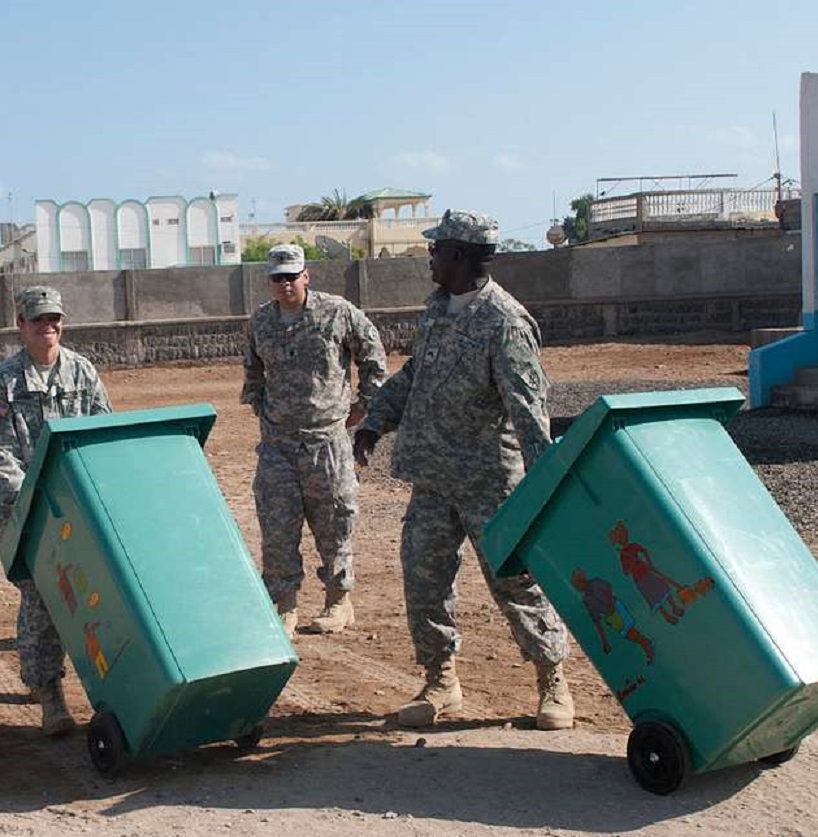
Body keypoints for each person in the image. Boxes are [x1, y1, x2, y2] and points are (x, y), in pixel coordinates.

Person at [353, 209, 575, 731]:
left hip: (489, 482)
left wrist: (543, 487)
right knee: (423, 578)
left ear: (460, 255)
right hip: (432, 477)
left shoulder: (506, 323)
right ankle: (441, 680)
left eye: (436, 249)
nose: (429, 256)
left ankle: (552, 679)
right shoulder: (437, 309)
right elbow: (416, 374)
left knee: (514, 582)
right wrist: (374, 422)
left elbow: (528, 408)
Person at [0, 285, 112, 736]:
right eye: (37, 320)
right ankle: (50, 693)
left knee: (87, 593)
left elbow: (102, 433)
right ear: (21, 325)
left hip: (77, 506)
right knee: (41, 596)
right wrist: (34, 503)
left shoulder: (83, 371)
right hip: (26, 513)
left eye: (54, 318)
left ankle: (73, 679)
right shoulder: (5, 380)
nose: (47, 326)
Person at [241, 243, 387, 638]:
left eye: (292, 276)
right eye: (278, 277)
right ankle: (284, 605)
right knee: (277, 525)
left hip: (326, 441)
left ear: (306, 276)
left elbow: (373, 355)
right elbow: (252, 374)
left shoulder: (336, 312)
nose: (286, 283)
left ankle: (338, 600)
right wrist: (261, 408)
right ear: (269, 281)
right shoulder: (260, 323)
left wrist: (365, 407)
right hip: (277, 446)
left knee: (334, 521)